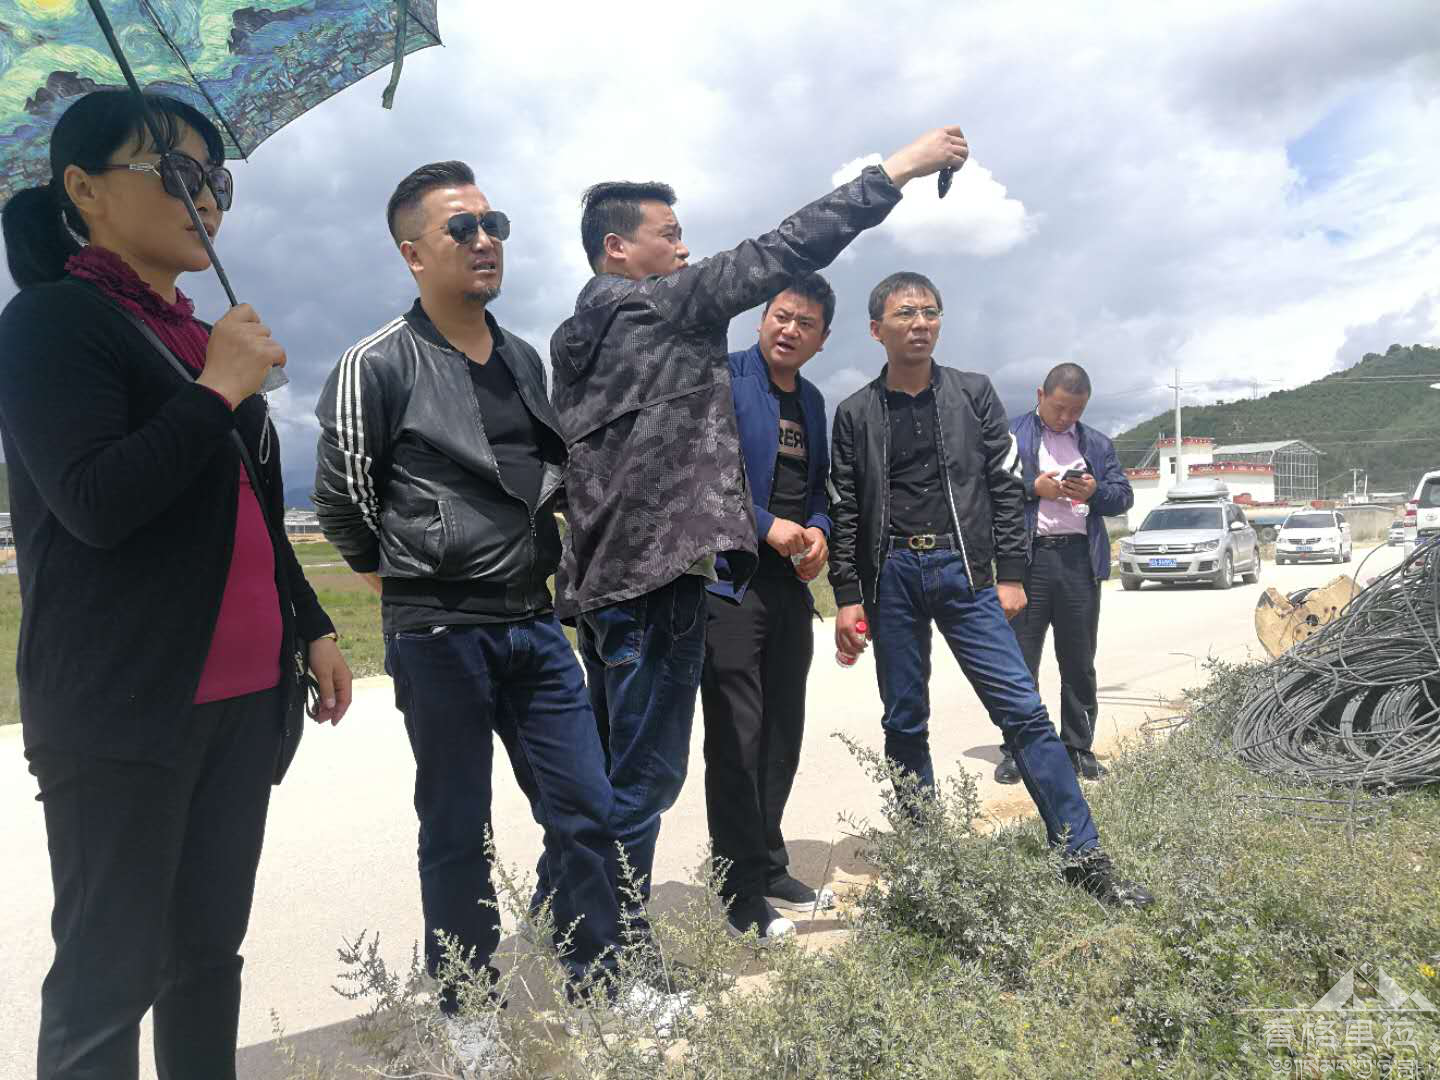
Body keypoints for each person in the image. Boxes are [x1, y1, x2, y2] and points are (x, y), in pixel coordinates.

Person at [0, 90, 351, 1080]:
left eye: (215, 178)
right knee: (105, 983)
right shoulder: (50, 322)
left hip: (244, 701)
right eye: (176, 172)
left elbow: (253, 509)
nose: (205, 198)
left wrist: (311, 622)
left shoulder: (200, 335)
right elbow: (94, 501)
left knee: (206, 959)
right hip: (123, 709)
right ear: (84, 190)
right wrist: (217, 390)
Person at [550, 127, 969, 936]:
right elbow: (782, 247)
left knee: (609, 771)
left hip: (602, 582)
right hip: (666, 583)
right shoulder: (657, 309)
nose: (683, 250)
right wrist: (900, 169)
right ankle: (614, 953)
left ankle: (576, 923)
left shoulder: (573, 337)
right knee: (645, 781)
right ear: (617, 248)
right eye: (669, 235)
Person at [313, 162, 635, 1053]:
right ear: (413, 253)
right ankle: (467, 1011)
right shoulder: (377, 362)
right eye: (462, 228)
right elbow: (341, 499)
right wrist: (406, 585)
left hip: (532, 621)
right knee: (457, 829)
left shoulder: (522, 357)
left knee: (587, 810)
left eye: (494, 223)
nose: (485, 239)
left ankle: (603, 983)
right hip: (440, 630)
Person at [827, 271, 1152, 908]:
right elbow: (844, 508)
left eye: (930, 311)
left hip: (966, 573)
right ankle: (929, 862)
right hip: (892, 576)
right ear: (876, 329)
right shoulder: (855, 412)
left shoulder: (973, 394)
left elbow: (1005, 486)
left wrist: (1009, 574)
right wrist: (846, 594)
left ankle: (1083, 858)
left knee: (1024, 712)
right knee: (903, 720)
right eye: (905, 313)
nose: (920, 323)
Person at [701, 273, 838, 941]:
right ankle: (738, 891)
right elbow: (705, 474)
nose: (790, 330)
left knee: (783, 730)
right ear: (761, 319)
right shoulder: (723, 379)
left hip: (789, 585)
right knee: (738, 736)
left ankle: (769, 862)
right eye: (782, 316)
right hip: (730, 583)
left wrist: (819, 531)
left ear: (822, 340)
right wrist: (763, 525)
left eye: (805, 323)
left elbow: (817, 489)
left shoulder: (811, 401)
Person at [998, 363, 1133, 785]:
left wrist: (1095, 491)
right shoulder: (1010, 435)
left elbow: (1123, 496)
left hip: (1079, 561)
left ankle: (1078, 747)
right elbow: (986, 487)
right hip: (1027, 561)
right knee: (1020, 662)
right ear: (1040, 395)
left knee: (1078, 661)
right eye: (1059, 408)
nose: (1066, 417)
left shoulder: (1097, 443)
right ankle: (1019, 749)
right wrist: (1032, 488)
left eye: (1076, 410)